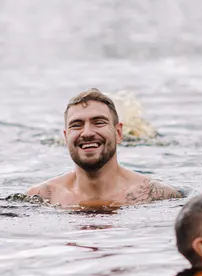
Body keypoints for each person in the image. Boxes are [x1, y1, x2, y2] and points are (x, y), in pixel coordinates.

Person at [26, 88, 182, 208]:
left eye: (99, 122)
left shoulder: (157, 195)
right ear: (66, 137)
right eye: (77, 125)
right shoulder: (43, 197)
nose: (87, 133)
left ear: (118, 133)